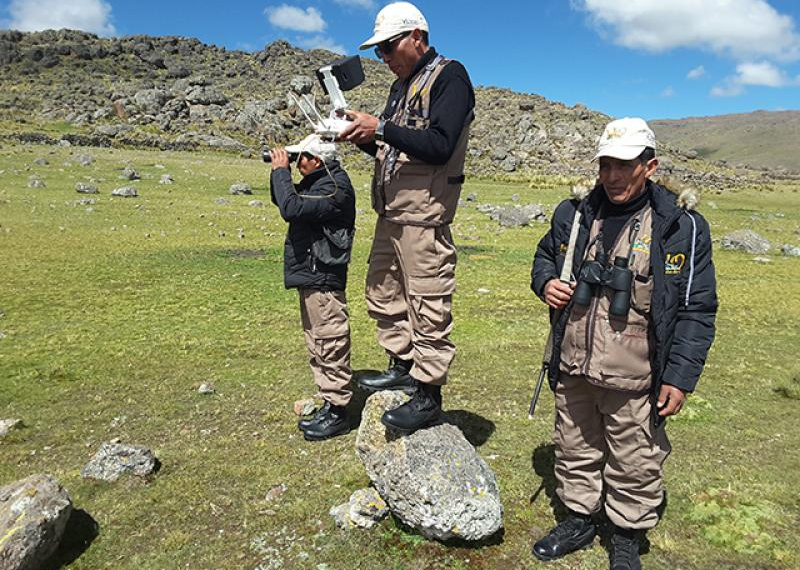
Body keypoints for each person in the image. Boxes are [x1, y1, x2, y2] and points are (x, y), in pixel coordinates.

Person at [530, 118, 718, 569]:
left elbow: (696, 308)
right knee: (573, 447)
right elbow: (544, 257)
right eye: (605, 165)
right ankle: (579, 519)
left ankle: (626, 535)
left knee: (635, 460)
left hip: (637, 375)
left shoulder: (681, 226)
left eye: (624, 165)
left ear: (649, 167)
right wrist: (546, 282)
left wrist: (679, 378)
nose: (612, 176)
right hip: (574, 363)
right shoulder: (573, 213)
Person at [337, 1, 475, 432]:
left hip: (424, 218)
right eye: (378, 50)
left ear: (417, 36)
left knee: (427, 305)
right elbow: (394, 148)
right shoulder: (401, 86)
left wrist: (379, 127)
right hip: (391, 214)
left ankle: (428, 394)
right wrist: (361, 136)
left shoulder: (450, 76)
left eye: (388, 47)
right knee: (383, 292)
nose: (384, 57)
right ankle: (402, 365)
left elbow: (440, 144)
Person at [269, 134, 356, 442]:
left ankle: (338, 412)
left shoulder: (334, 187)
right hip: (312, 275)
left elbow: (291, 208)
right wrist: (278, 173)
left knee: (329, 340)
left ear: (317, 160)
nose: (296, 163)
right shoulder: (320, 182)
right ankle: (329, 402)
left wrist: (281, 171)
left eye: (301, 157)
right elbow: (283, 199)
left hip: (323, 279)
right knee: (317, 342)